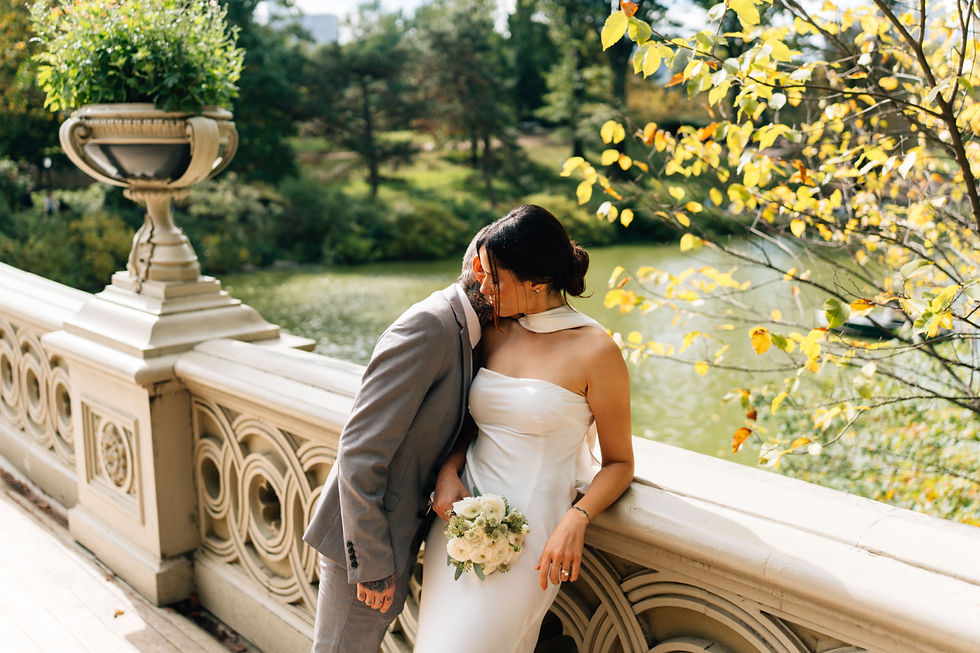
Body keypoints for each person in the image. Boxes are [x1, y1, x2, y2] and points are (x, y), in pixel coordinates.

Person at [414, 204, 635, 652]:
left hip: (532, 541)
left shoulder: (597, 351)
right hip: (456, 528)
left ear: (535, 281)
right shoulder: (495, 331)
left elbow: (620, 462)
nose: (483, 286)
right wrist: (448, 470)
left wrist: (578, 517)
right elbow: (471, 426)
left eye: (495, 277)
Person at [302, 231, 492, 653]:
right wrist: (370, 563)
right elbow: (360, 448)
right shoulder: (430, 325)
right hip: (364, 542)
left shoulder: (469, 329)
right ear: (481, 271)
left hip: (397, 534)